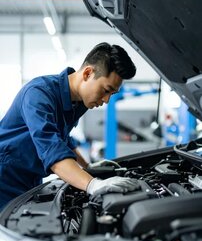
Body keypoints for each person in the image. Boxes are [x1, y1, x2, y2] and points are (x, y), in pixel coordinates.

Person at [0, 42, 137, 209]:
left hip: (30, 178)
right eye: (105, 90)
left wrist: (87, 166)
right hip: (5, 178)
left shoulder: (78, 103)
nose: (106, 100)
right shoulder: (38, 94)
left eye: (111, 94)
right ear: (87, 73)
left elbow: (63, 138)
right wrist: (92, 185)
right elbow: (51, 149)